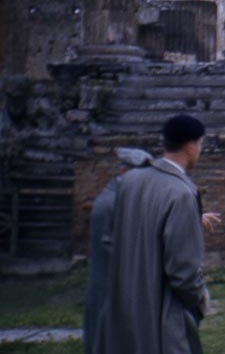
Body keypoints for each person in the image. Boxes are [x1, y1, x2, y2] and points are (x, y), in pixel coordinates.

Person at [95, 115, 214, 354]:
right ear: (191, 146)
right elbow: (182, 270)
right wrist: (200, 298)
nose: (200, 151)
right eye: (201, 144)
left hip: (122, 305)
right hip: (160, 314)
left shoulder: (131, 182)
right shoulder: (180, 193)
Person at [83, 147, 153, 353]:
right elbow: (111, 250)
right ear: (125, 172)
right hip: (108, 292)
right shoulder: (108, 203)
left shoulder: (125, 199)